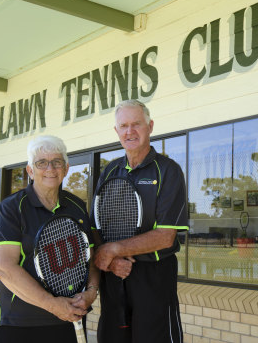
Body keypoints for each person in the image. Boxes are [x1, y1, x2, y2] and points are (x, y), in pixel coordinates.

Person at [0, 135, 100, 343]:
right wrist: (53, 305)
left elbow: (89, 261)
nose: (50, 168)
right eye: (41, 163)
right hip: (19, 324)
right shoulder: (12, 208)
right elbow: (3, 267)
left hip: (70, 320)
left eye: (57, 162)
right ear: (30, 170)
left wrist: (91, 292)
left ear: (66, 169)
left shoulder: (76, 207)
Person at [93, 100, 188, 343]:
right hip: (114, 275)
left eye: (136, 124)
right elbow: (96, 228)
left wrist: (114, 250)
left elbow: (166, 236)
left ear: (150, 126)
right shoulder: (110, 171)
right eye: (123, 125)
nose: (129, 131)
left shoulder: (168, 170)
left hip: (154, 278)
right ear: (116, 132)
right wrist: (112, 261)